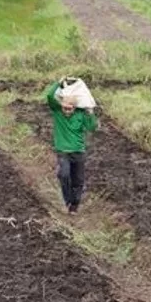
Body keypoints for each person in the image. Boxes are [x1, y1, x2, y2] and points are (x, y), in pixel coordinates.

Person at [45, 77, 98, 214]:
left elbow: (91, 127)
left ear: (75, 107)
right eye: (65, 108)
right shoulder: (57, 112)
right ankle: (68, 200)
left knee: (78, 180)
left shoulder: (80, 115)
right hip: (63, 150)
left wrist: (90, 114)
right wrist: (59, 81)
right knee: (64, 174)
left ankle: (74, 205)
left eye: (70, 108)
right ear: (61, 106)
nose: (67, 111)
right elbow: (50, 96)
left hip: (78, 151)